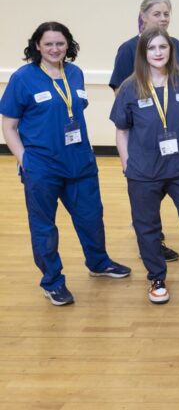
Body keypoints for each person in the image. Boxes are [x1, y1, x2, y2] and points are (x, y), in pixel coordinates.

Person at [0, 22, 131, 306]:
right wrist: (25, 160)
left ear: (68, 44)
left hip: (80, 162)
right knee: (44, 227)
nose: (55, 49)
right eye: (48, 44)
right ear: (37, 46)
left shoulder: (75, 73)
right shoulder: (23, 78)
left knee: (91, 217)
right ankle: (52, 281)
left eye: (60, 43)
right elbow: (9, 126)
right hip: (42, 167)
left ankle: (98, 263)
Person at [111, 27, 179, 304]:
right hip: (144, 171)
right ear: (143, 53)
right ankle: (157, 277)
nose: (158, 53)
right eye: (152, 48)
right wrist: (127, 164)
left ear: (170, 51)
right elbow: (122, 131)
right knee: (146, 226)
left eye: (163, 47)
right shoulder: (129, 87)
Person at [109, 0, 179, 263]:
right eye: (157, 13)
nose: (163, 18)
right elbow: (119, 92)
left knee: (178, 190)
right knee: (147, 198)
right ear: (143, 16)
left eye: (167, 13)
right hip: (143, 138)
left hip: (173, 136)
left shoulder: (175, 45)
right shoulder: (128, 49)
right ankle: (152, 242)